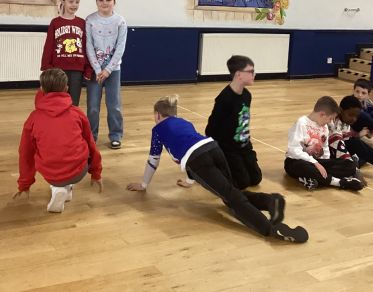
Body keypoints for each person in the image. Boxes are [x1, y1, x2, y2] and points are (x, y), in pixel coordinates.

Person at [127, 95, 308, 243]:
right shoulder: (185, 122)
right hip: (213, 148)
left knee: (230, 197)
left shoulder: (158, 130)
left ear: (158, 115)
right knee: (231, 191)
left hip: (198, 160)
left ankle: (270, 229)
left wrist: (143, 184)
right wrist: (190, 180)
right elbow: (189, 144)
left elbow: (153, 160)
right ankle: (270, 201)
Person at [14, 68, 103, 213]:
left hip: (51, 175)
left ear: (41, 89)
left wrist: (24, 184)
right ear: (66, 88)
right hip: (79, 172)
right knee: (78, 147)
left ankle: (58, 188)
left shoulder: (33, 118)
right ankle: (65, 188)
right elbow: (91, 144)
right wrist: (96, 173)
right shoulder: (77, 113)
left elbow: (25, 153)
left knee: (45, 152)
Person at [205, 55, 262, 190]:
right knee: (242, 182)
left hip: (243, 144)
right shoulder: (224, 98)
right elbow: (212, 127)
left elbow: (243, 123)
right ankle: (215, 166)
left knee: (256, 178)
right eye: (251, 71)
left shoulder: (247, 95)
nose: (254, 74)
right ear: (238, 74)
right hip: (228, 147)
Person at [284, 96, 364, 191]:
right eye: (330, 119)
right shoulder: (301, 123)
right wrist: (315, 163)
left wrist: (326, 163)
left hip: (317, 162)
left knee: (350, 165)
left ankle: (312, 179)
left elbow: (325, 149)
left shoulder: (325, 127)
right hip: (297, 161)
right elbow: (293, 151)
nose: (331, 122)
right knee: (301, 166)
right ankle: (340, 182)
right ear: (322, 114)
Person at [86, 0, 127, 149]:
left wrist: (108, 69)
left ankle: (115, 135)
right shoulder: (90, 20)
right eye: (101, 0)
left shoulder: (120, 21)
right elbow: (88, 45)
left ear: (114, 2)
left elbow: (120, 47)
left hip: (113, 70)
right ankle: (91, 136)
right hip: (95, 71)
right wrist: (97, 69)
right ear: (96, 2)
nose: (104, 3)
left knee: (114, 105)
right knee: (93, 106)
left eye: (108, 0)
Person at [41, 0, 92, 106]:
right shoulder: (55, 22)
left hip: (77, 69)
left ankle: (72, 119)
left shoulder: (82, 23)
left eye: (77, 2)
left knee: (73, 103)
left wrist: (88, 68)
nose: (74, 5)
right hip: (58, 70)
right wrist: (46, 66)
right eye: (71, 1)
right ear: (63, 2)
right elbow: (48, 46)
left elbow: (86, 46)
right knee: (58, 102)